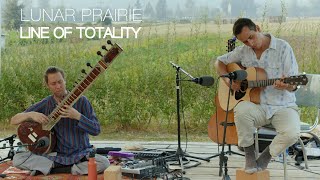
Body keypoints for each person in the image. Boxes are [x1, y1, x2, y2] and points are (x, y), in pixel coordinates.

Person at [215, 18, 300, 173]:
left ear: (258, 28)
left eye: (251, 37)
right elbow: (219, 62)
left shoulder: (283, 48)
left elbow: (294, 84)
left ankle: (265, 157)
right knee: (241, 110)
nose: (250, 43)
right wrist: (228, 81)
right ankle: (249, 155)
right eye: (245, 41)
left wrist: (287, 85)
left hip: (283, 106)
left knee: (292, 133)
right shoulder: (243, 51)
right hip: (257, 106)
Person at [11, 66, 109, 176]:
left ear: (64, 81)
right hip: (56, 156)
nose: (58, 86)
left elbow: (96, 130)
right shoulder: (46, 103)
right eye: (53, 84)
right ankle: (70, 169)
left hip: (80, 154)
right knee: (18, 159)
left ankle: (55, 169)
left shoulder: (82, 101)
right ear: (48, 86)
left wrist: (78, 116)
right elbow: (14, 120)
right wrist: (31, 114)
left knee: (104, 162)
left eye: (60, 82)